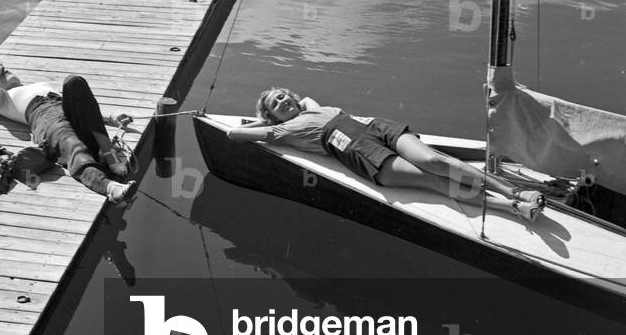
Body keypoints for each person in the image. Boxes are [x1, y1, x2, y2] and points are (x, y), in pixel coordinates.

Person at [200, 88, 546, 221]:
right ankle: (513, 208)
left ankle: (511, 190)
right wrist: (263, 124)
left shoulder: (310, 107)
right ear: (272, 116)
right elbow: (234, 134)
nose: (285, 101)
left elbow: (305, 99)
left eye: (283, 95)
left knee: (436, 161)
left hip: (375, 127)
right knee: (435, 182)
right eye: (276, 103)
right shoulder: (281, 131)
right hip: (359, 151)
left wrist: (292, 104)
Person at [0, 58, 135, 203]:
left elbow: (82, 107)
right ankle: (109, 187)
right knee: (73, 145)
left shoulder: (37, 86)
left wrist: (111, 117)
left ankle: (108, 153)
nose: (5, 70)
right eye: (2, 73)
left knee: (74, 82)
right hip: (46, 119)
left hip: (66, 111)